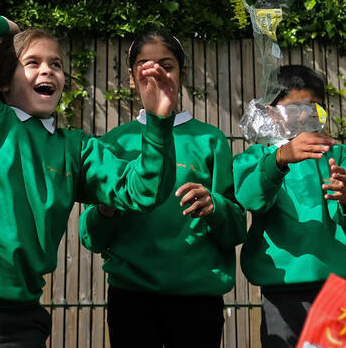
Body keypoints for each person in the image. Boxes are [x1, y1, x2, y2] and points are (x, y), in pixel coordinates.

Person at [0, 10, 179, 348]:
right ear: (3, 80)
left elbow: (145, 189)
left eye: (56, 64)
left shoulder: (76, 149)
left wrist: (159, 119)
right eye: (31, 62)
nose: (47, 69)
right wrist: (7, 25)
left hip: (22, 319)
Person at [78, 28, 246, 348]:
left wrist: (216, 207)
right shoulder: (114, 143)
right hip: (131, 299)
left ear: (181, 75)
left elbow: (236, 230)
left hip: (198, 299)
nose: (155, 73)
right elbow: (92, 238)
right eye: (145, 66)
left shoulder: (210, 140)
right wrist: (105, 210)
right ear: (131, 77)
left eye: (166, 66)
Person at [232, 65, 346, 348]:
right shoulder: (257, 157)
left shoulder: (339, 154)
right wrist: (279, 160)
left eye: (314, 108)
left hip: (341, 284)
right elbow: (251, 199)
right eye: (295, 107)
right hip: (282, 285)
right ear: (270, 111)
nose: (305, 115)